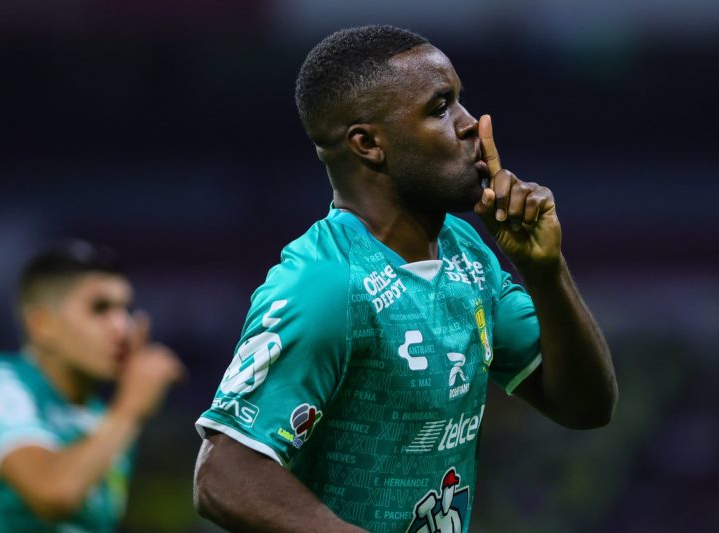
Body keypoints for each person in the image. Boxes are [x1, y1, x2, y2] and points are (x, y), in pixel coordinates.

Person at [193, 25, 618, 533]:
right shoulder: (326, 282)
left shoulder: (468, 253)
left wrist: (544, 270)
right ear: (369, 144)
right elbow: (221, 475)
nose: (470, 125)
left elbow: (586, 405)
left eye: (460, 101)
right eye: (441, 109)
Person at [0, 240, 183, 533]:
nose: (122, 327)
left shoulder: (105, 423)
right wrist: (129, 409)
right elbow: (54, 492)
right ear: (42, 325)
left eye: (126, 309)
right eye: (100, 309)